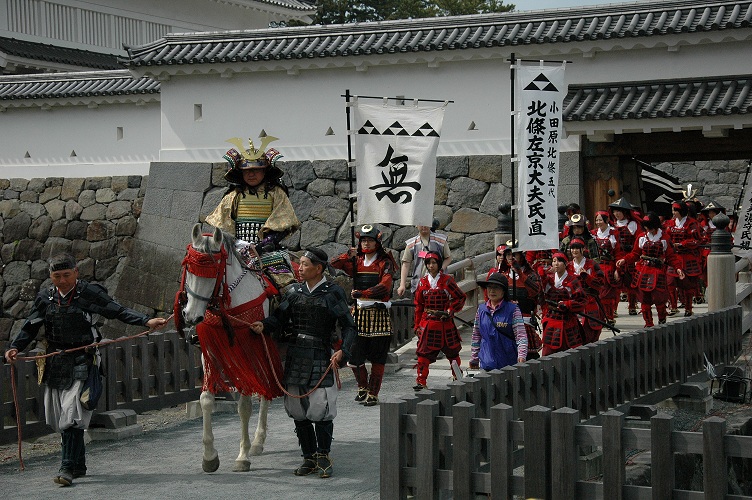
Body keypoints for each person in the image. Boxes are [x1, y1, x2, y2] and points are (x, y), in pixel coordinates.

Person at [3, 253, 168, 487]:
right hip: (55, 363)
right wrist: (14, 348)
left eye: (66, 275)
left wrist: (145, 321)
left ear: (76, 272)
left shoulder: (89, 293)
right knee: (60, 416)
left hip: (83, 360)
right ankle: (79, 464)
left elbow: (116, 310)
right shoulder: (45, 298)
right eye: (57, 276)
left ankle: (67, 468)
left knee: (72, 415)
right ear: (50, 276)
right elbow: (30, 326)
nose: (62, 281)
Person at [250, 247, 355, 479]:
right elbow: (279, 318)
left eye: (305, 264)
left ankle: (323, 456)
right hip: (296, 355)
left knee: (321, 407)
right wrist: (264, 325)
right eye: (300, 264)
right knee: (298, 410)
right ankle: (308, 457)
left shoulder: (332, 292)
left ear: (318, 269)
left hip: (320, 354)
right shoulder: (294, 292)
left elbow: (349, 326)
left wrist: (343, 352)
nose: (300, 268)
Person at [330, 224, 398, 406]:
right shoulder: (356, 261)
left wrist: (364, 293)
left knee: (378, 356)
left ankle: (374, 392)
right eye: (363, 240)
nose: (366, 244)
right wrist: (347, 254)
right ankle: (362, 386)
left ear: (377, 242)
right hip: (359, 313)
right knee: (353, 353)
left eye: (370, 240)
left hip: (378, 313)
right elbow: (332, 264)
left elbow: (385, 286)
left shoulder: (385, 262)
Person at [206, 137, 300, 251]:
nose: (251, 174)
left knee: (282, 269)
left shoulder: (276, 193)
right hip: (237, 250)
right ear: (241, 172)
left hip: (268, 250)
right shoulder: (234, 195)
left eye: (256, 170)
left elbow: (285, 224)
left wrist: (263, 245)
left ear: (264, 171)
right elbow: (222, 227)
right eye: (246, 171)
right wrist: (237, 243)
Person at [617, 213, 685, 327]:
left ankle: (662, 320)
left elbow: (671, 256)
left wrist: (678, 268)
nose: (648, 229)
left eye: (650, 226)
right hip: (643, 270)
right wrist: (624, 259)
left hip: (658, 271)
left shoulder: (665, 238)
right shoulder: (641, 237)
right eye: (646, 227)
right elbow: (635, 253)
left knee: (659, 299)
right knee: (645, 300)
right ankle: (648, 323)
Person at [413, 251, 466, 390]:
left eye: (434, 263)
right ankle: (421, 381)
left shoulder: (447, 280)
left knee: (453, 353)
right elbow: (419, 305)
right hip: (428, 322)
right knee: (423, 354)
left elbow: (460, 297)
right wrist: (417, 325)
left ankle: (457, 376)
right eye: (428, 263)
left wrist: (451, 310)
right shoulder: (423, 282)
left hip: (445, 322)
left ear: (439, 264)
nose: (431, 266)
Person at [469, 273, 527, 370]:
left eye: (496, 288)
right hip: (486, 362)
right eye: (489, 287)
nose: (492, 291)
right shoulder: (481, 309)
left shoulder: (513, 310)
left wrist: (521, 356)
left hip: (508, 364)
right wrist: (474, 358)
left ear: (504, 291)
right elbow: (476, 335)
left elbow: (521, 336)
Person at [539, 252, 586, 355]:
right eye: (554, 261)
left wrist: (568, 304)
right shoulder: (548, 279)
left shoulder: (573, 280)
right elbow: (538, 292)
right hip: (551, 319)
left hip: (568, 321)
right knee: (548, 352)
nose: (556, 264)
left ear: (566, 264)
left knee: (570, 353)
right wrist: (543, 274)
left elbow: (582, 301)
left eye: (559, 261)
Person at [665, 200, 703, 316]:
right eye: (673, 210)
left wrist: (682, 243)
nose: (673, 212)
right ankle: (673, 307)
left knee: (687, 284)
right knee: (670, 282)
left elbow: (697, 240)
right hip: (674, 257)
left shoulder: (692, 223)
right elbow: (666, 236)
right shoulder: (670, 223)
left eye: (675, 210)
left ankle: (688, 308)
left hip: (687, 256)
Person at [397, 221, 451, 297]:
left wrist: (441, 269)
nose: (424, 226)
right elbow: (406, 264)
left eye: (426, 223)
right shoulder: (412, 243)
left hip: (440, 284)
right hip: (419, 285)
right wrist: (402, 284)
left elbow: (448, 258)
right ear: (416, 225)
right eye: (421, 224)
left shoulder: (440, 240)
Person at [567, 238, 606, 343]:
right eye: (572, 248)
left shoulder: (592, 264)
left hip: (590, 301)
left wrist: (587, 277)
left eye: (577, 248)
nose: (574, 251)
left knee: (591, 332)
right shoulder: (568, 266)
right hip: (573, 302)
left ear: (583, 249)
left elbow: (601, 283)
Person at [609, 197, 641, 316]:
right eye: (615, 211)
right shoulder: (611, 225)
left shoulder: (633, 224)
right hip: (616, 257)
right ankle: (614, 308)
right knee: (616, 284)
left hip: (630, 257)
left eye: (619, 211)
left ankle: (632, 306)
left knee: (631, 283)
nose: (616, 214)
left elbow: (638, 241)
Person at [592, 210, 620, 326]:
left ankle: (609, 318)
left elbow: (618, 252)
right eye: (596, 220)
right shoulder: (592, 233)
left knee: (606, 295)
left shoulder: (614, 234)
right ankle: (600, 318)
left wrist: (617, 269)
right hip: (596, 267)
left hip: (608, 267)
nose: (598, 222)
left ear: (606, 220)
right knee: (596, 295)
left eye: (600, 220)